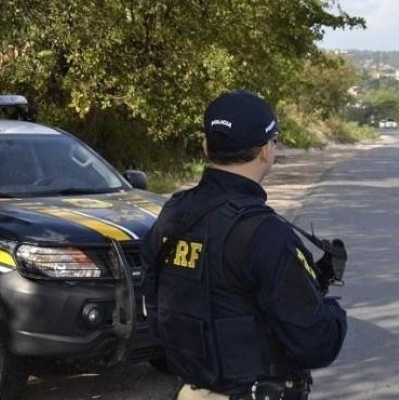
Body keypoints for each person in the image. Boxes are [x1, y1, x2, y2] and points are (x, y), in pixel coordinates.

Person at [142, 90, 347, 400]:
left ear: (206, 146)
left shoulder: (173, 214)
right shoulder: (263, 232)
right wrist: (332, 312)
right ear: (266, 150)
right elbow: (317, 343)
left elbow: (159, 318)